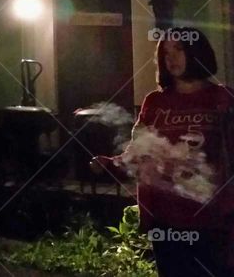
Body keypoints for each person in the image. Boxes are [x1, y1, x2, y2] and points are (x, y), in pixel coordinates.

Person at [91, 27, 234, 276]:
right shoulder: (155, 102)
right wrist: (111, 163)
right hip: (165, 218)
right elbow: (139, 150)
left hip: (214, 222)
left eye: (179, 49)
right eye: (165, 53)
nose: (171, 58)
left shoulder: (222, 98)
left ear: (196, 51)